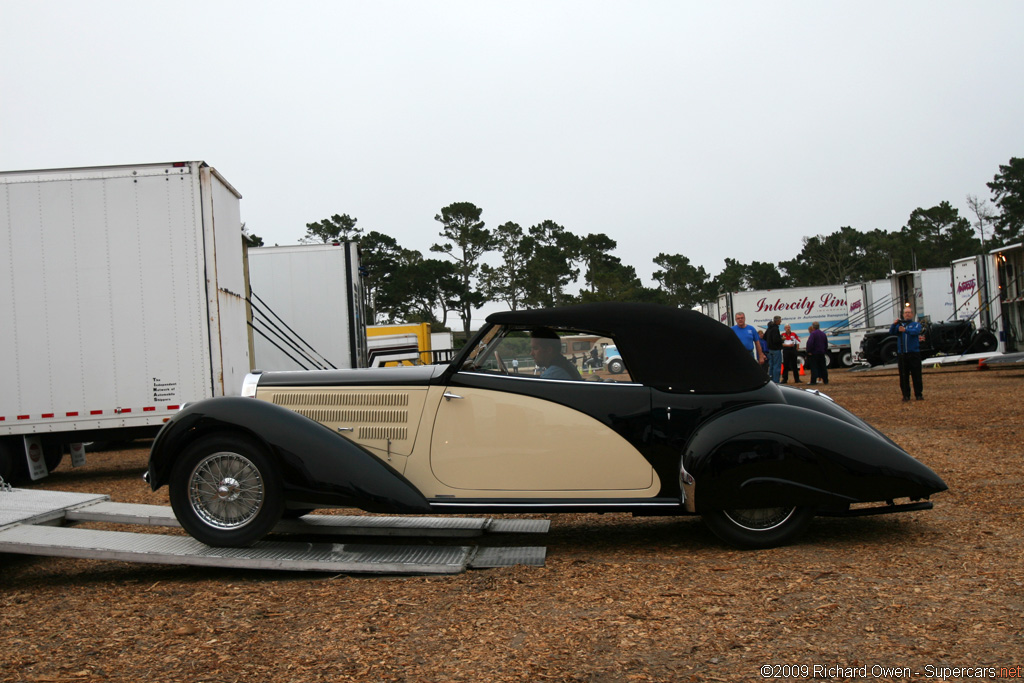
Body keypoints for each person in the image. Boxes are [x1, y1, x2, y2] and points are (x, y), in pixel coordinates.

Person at [890, 307, 924, 401]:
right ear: (903, 314)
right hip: (902, 354)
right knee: (904, 376)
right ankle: (906, 395)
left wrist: (905, 330)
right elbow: (891, 332)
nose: (907, 314)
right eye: (906, 313)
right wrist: (894, 324)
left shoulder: (916, 324)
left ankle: (918, 394)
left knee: (916, 375)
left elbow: (916, 332)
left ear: (912, 314)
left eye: (909, 312)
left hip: (914, 353)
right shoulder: (899, 325)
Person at [806, 321, 829, 385]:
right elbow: (826, 343)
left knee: (814, 368)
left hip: (814, 353)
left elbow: (810, 343)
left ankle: (813, 381)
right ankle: (826, 380)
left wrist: (809, 351)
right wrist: (824, 350)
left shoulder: (813, 334)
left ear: (813, 327)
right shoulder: (823, 334)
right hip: (821, 353)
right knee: (823, 367)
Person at [765, 315, 783, 383]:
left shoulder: (769, 328)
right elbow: (776, 340)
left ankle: (771, 380)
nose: (780, 321)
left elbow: (764, 337)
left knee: (771, 365)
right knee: (777, 366)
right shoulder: (775, 328)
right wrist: (781, 340)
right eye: (780, 320)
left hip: (770, 349)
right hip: (776, 349)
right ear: (777, 321)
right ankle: (776, 381)